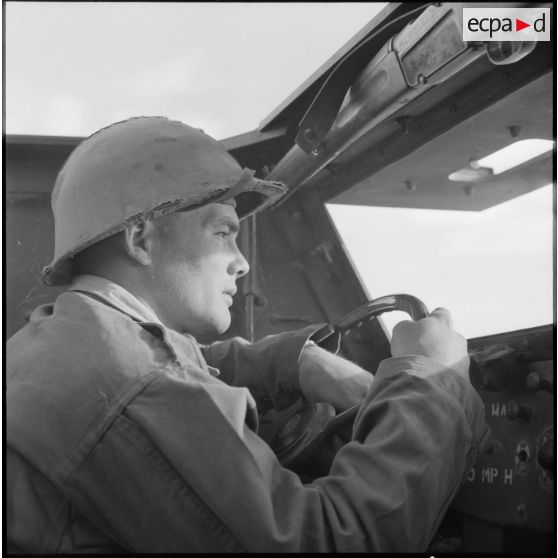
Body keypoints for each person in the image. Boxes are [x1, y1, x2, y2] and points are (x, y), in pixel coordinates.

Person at [7, 116, 489, 553]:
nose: (242, 263)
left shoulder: (68, 335)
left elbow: (188, 360)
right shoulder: (133, 386)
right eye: (222, 234)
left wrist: (295, 362)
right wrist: (431, 382)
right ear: (140, 239)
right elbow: (326, 543)